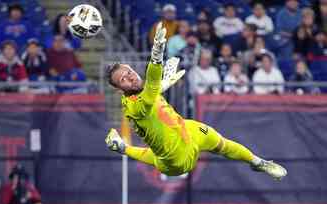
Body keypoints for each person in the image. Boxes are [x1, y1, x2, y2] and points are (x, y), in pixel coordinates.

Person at [105, 23, 287, 180]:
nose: (130, 77)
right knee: (156, 158)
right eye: (123, 79)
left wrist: (163, 83)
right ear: (121, 90)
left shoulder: (144, 91)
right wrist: (156, 57)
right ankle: (123, 148)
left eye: (128, 71)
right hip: (177, 159)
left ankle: (257, 162)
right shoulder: (132, 106)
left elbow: (152, 90)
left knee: (222, 143)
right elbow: (152, 88)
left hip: (186, 129)